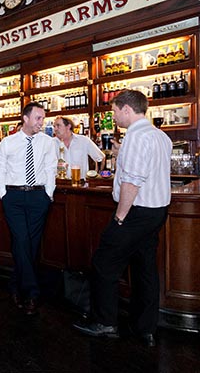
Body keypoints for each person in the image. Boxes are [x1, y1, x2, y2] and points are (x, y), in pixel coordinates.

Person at [73, 90, 171, 347]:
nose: (113, 116)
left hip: (135, 212)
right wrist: (119, 154)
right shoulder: (161, 136)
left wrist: (119, 218)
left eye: (115, 111)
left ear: (127, 109)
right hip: (157, 211)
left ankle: (105, 323)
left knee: (104, 263)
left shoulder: (135, 139)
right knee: (145, 268)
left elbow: (132, 182)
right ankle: (145, 329)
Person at [0, 102, 57, 315]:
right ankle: (32, 292)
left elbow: (51, 168)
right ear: (26, 118)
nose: (42, 122)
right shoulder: (8, 142)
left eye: (43, 118)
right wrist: (4, 195)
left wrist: (48, 194)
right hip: (13, 196)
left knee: (30, 244)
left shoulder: (48, 142)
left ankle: (15, 285)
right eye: (38, 118)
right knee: (21, 240)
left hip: (38, 196)